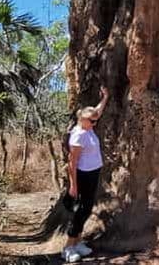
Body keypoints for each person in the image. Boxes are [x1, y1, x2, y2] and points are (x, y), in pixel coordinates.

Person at [61, 86, 109, 263]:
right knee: (80, 210)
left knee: (87, 208)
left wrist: (105, 97)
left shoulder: (88, 127)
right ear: (83, 120)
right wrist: (73, 185)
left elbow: (97, 111)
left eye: (96, 121)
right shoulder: (78, 136)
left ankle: (79, 242)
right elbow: (71, 163)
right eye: (93, 122)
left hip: (93, 173)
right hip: (83, 176)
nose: (96, 124)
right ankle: (68, 247)